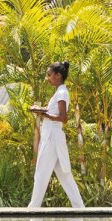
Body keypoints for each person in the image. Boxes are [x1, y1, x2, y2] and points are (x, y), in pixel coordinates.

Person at [28, 61, 85, 208]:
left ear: (58, 75)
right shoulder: (59, 92)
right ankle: (80, 208)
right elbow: (53, 111)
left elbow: (63, 118)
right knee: (64, 174)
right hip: (53, 137)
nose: (48, 78)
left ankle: (33, 209)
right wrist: (40, 109)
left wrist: (42, 114)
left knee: (41, 173)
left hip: (52, 138)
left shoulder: (61, 93)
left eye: (49, 75)